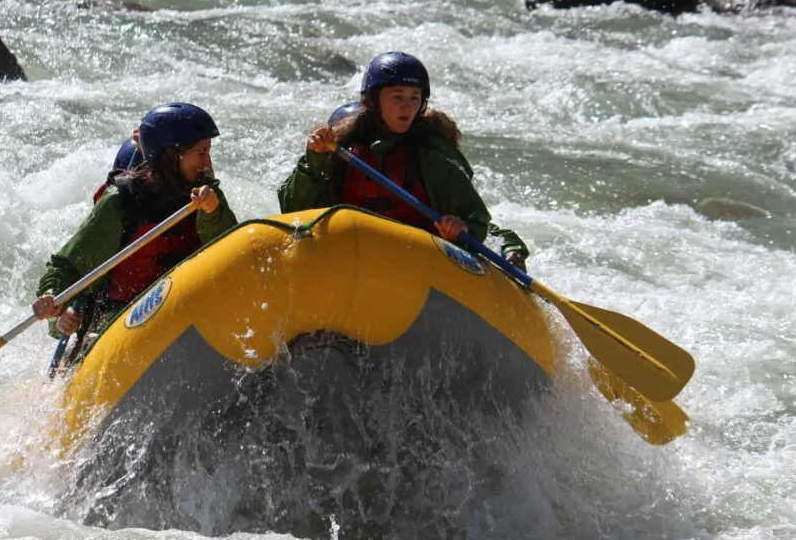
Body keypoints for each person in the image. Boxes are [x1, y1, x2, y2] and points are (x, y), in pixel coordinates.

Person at [288, 61, 530, 269]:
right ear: (374, 101)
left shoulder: (432, 155)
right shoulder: (340, 149)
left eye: (414, 98)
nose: (407, 106)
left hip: (419, 258)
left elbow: (477, 222)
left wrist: (458, 230)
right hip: (353, 253)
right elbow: (295, 212)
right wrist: (314, 159)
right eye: (397, 96)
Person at [33, 102, 238, 345]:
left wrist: (213, 212)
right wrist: (52, 297)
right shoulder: (120, 202)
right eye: (200, 152)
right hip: (123, 322)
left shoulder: (207, 195)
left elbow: (230, 253)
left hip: (187, 309)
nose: (207, 162)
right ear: (171, 155)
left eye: (208, 151)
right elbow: (69, 267)